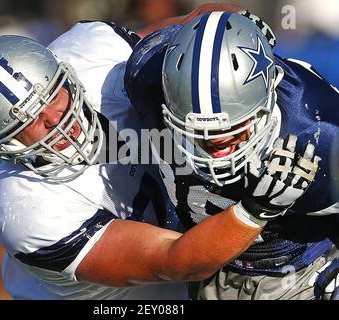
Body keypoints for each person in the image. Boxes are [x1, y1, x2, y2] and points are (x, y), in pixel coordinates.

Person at [0, 15, 317, 300]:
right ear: (3, 145)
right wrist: (256, 210)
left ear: (65, 73)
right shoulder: (26, 210)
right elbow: (172, 261)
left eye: (52, 96)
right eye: (29, 122)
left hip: (200, 254)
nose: (55, 119)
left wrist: (236, 24)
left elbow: (189, 37)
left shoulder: (94, 51)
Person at [124, 8, 339, 300]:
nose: (216, 145)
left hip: (296, 273)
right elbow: (190, 31)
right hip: (195, 263)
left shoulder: (317, 134)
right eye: (197, 132)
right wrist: (230, 15)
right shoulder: (147, 76)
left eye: (235, 129)